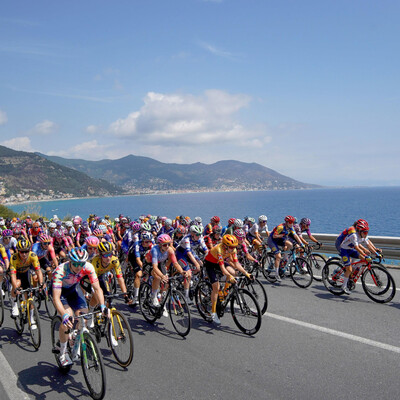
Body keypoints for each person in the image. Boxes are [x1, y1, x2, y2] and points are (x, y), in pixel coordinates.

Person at [52, 248, 107, 366]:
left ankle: (72, 336)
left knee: (84, 316)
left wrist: (102, 306)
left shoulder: (88, 267)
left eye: (81, 264)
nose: (78, 267)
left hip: (73, 289)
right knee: (68, 317)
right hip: (60, 292)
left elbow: (97, 289)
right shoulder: (60, 270)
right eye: (75, 263)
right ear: (70, 261)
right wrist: (64, 315)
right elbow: (56, 298)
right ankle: (62, 352)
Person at [204, 234, 252, 325]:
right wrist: (229, 277)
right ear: (225, 245)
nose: (234, 248)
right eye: (231, 246)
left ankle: (225, 291)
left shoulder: (233, 249)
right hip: (210, 264)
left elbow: (237, 264)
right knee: (216, 287)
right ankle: (213, 313)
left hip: (218, 263)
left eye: (235, 246)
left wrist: (246, 273)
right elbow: (222, 269)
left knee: (234, 272)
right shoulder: (219, 249)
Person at [145, 234, 189, 317]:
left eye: (169, 244)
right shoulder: (155, 250)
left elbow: (175, 263)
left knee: (167, 282)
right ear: (160, 244)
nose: (167, 246)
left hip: (160, 263)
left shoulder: (170, 250)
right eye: (165, 245)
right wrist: (162, 276)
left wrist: (182, 272)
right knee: (158, 277)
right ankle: (153, 296)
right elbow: (154, 267)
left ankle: (162, 303)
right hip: (150, 263)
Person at [338, 219, 381, 295]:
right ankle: (344, 286)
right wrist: (365, 255)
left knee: (363, 259)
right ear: (360, 231)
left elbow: (368, 245)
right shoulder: (354, 236)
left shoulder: (363, 236)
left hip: (350, 250)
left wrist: (377, 254)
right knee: (349, 269)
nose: (366, 234)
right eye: (365, 232)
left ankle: (352, 274)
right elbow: (357, 248)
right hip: (344, 250)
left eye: (367, 232)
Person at [9, 239, 44, 321]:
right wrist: (15, 288)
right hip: (16, 274)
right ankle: (14, 306)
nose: (24, 254)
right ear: (18, 251)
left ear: (29, 250)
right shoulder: (14, 258)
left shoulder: (33, 256)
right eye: (21, 252)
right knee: (17, 285)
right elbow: (13, 275)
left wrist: (41, 283)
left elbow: (38, 271)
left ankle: (31, 318)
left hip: (25, 274)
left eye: (26, 251)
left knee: (29, 297)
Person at [267, 216, 304, 282]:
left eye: (292, 222)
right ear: (286, 222)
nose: (292, 224)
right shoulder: (280, 227)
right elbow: (274, 236)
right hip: (272, 240)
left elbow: (295, 236)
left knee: (290, 245)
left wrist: (301, 244)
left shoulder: (291, 227)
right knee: (278, 256)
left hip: (280, 239)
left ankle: (285, 258)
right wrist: (282, 235)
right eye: (290, 222)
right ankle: (276, 274)